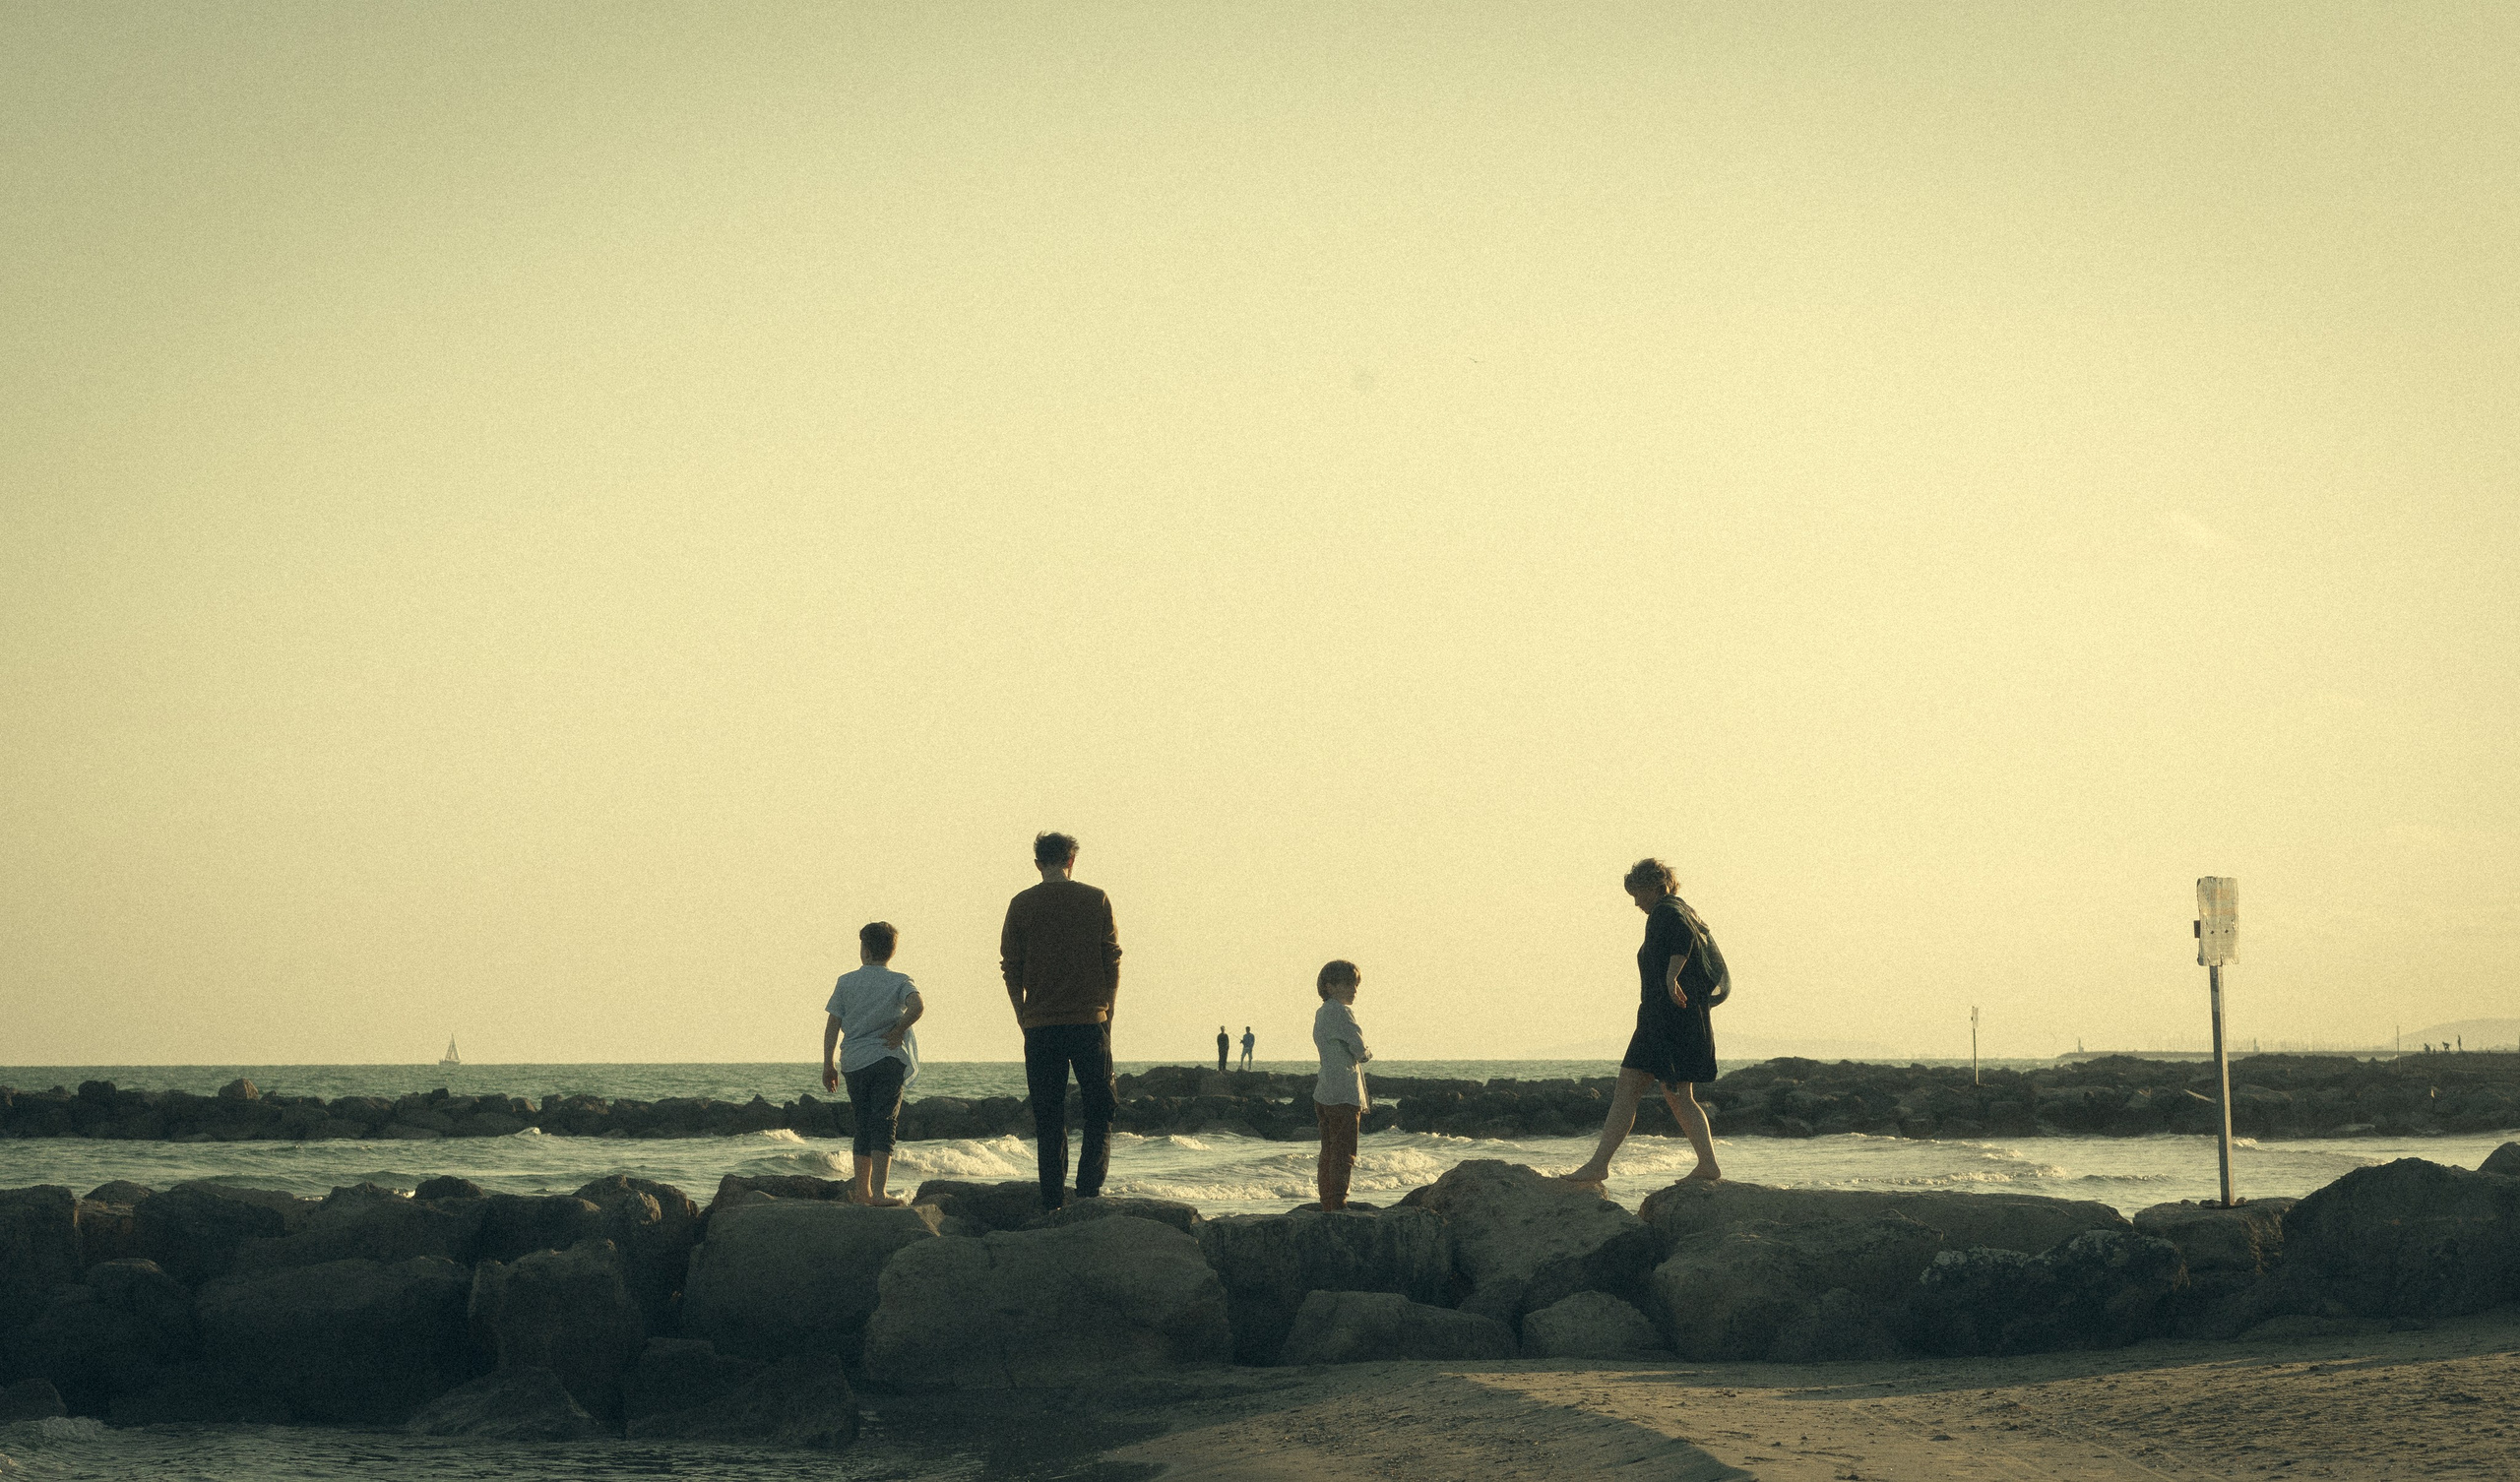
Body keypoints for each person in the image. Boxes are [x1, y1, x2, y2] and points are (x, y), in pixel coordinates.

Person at [1563, 858, 1724, 1188]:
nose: (1636, 902)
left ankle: (1599, 1165)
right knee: (1672, 1094)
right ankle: (1706, 1164)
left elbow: (1681, 938)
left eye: (1638, 893)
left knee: (1635, 1090)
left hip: (1665, 1019)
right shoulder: (1685, 911)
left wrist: (1671, 977)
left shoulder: (1667, 911)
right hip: (1675, 1018)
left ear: (1655, 887)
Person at [1001, 832, 1123, 1210]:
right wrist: (1109, 1010)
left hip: (1040, 1024)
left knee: (1049, 1116)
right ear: (1072, 860)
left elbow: (1011, 967)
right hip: (1089, 1020)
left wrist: (1021, 1014)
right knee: (1100, 1108)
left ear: (1038, 863)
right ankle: (1088, 1192)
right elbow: (1111, 959)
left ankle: (1053, 1201)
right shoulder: (1095, 898)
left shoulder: (1021, 904)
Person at [820, 920, 923, 1206]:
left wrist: (828, 1064)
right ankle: (879, 1193)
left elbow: (832, 1025)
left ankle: (863, 1193)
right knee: (885, 1123)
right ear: (892, 951)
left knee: (863, 1123)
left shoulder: (846, 981)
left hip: (854, 1061)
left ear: (865, 950)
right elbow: (917, 1006)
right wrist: (898, 1030)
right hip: (887, 1058)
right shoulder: (900, 980)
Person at [1311, 960, 1370, 1210]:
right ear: (1330, 986)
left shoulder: (1322, 1012)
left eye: (1355, 985)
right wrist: (1367, 1052)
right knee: (1344, 1150)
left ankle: (1327, 1200)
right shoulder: (1342, 1012)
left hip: (1324, 1089)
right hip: (1344, 1091)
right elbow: (1360, 1049)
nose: (1354, 990)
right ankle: (1338, 1201)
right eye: (1348, 984)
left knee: (1328, 1150)